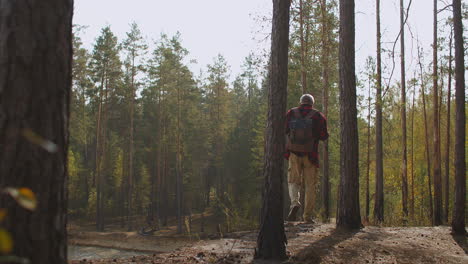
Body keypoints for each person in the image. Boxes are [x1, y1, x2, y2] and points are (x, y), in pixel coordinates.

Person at [285, 94, 329, 222]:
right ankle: (307, 216)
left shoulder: (291, 113)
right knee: (310, 185)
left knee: (293, 181)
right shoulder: (318, 116)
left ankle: (294, 204)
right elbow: (324, 136)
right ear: (312, 103)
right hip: (311, 155)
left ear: (300, 102)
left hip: (294, 153)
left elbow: (284, 129)